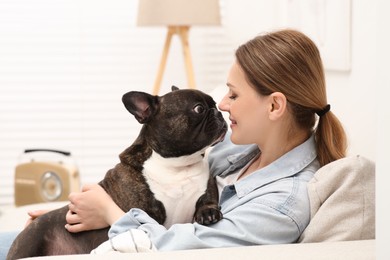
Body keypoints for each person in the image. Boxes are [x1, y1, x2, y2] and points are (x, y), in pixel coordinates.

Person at [0, 29, 347, 256]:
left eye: (233, 94)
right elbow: (161, 178)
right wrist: (71, 216)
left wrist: (107, 212)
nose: (223, 104)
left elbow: (181, 247)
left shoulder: (282, 204)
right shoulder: (242, 148)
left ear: (274, 105)